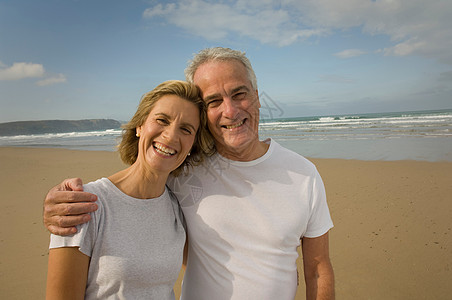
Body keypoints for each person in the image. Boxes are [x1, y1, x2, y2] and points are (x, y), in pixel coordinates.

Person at [44, 47, 335, 299]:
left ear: (257, 97)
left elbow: (319, 266)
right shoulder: (185, 170)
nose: (231, 111)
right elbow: (132, 187)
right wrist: (58, 202)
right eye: (214, 101)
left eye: (239, 94)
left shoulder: (304, 174)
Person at [45, 80, 213, 299]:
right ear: (140, 126)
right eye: (162, 120)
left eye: (186, 129)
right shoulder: (85, 205)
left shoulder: (178, 208)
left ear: (192, 146)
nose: (171, 136)